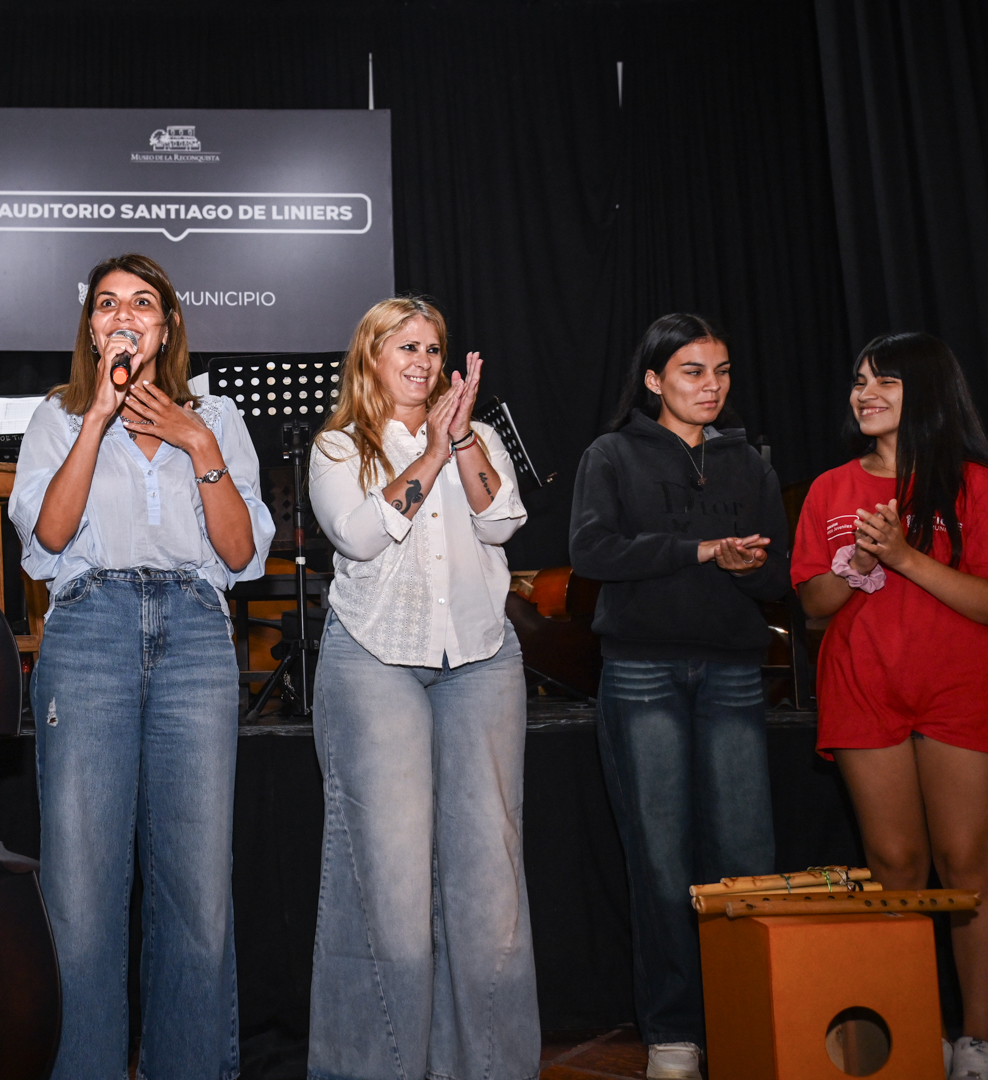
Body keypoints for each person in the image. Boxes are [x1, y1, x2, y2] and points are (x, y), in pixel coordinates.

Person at [8, 253, 274, 1079]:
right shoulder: (57, 416)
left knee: (197, 893)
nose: (124, 315)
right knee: (82, 894)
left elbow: (241, 553)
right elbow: (50, 538)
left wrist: (198, 443)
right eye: (108, 304)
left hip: (196, 635)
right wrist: (97, 418)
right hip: (90, 630)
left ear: (167, 326)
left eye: (142, 303)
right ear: (92, 328)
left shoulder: (217, 416)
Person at [306, 296, 538, 1080]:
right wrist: (431, 452)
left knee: (490, 884)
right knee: (390, 886)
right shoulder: (340, 446)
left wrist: (461, 438)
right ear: (370, 356)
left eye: (433, 349)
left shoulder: (479, 436)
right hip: (375, 656)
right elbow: (357, 535)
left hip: (480, 656)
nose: (423, 361)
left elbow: (502, 522)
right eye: (405, 346)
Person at [569, 313, 787, 1079]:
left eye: (721, 371)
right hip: (641, 671)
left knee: (746, 856)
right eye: (693, 371)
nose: (711, 386)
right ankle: (674, 1031)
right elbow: (591, 550)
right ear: (654, 380)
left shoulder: (748, 463)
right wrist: (700, 550)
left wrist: (746, 566)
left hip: (733, 673)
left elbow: (780, 576)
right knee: (661, 861)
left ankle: (748, 1018)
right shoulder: (612, 454)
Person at [793, 332, 988, 1080]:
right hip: (863, 687)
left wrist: (906, 557)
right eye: (859, 381)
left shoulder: (972, 485)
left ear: (927, 391)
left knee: (965, 864)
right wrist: (860, 562)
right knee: (896, 863)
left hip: (958, 688)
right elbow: (814, 604)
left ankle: (977, 1039)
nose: (864, 394)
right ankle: (914, 1029)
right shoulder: (830, 488)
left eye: (885, 382)